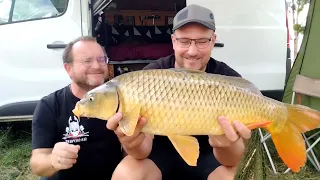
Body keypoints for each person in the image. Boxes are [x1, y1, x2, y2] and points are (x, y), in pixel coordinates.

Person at [107, 4, 252, 180]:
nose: (192, 51)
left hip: (211, 156)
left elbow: (233, 160)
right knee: (128, 172)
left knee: (236, 176)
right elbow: (141, 153)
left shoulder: (228, 79)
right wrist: (131, 142)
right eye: (184, 41)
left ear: (213, 41)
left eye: (201, 41)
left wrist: (224, 145)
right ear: (174, 41)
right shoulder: (150, 77)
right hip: (159, 155)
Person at [30, 36, 126, 179]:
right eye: (87, 61)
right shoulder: (50, 105)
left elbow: (132, 154)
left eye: (101, 59)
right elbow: (37, 163)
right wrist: (52, 160)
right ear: (68, 68)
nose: (96, 66)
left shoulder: (122, 100)